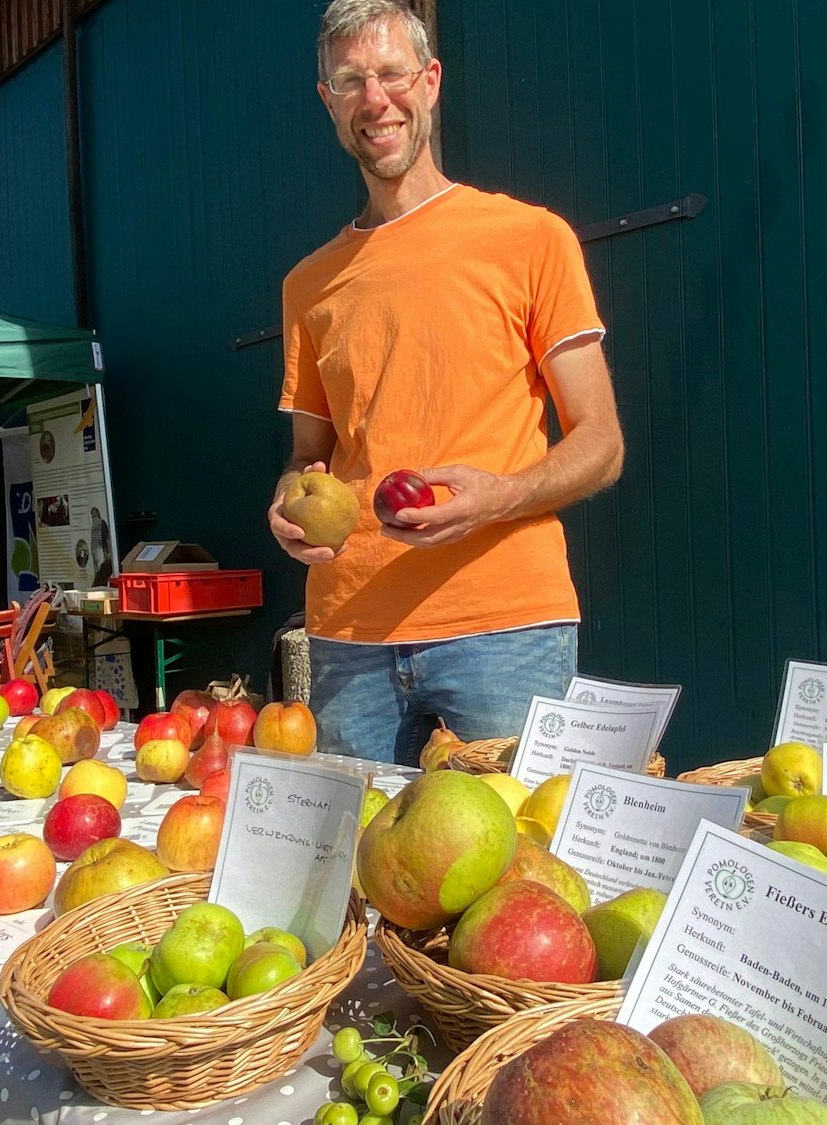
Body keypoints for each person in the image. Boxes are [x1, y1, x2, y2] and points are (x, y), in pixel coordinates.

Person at [266, 0, 625, 763]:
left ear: (430, 82)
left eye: (392, 73)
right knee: (359, 873)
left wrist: (500, 496)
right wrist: (288, 503)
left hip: (505, 625)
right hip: (349, 636)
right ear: (327, 100)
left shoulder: (529, 238)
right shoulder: (310, 284)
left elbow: (601, 441)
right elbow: (308, 456)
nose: (375, 98)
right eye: (350, 79)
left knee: (520, 864)